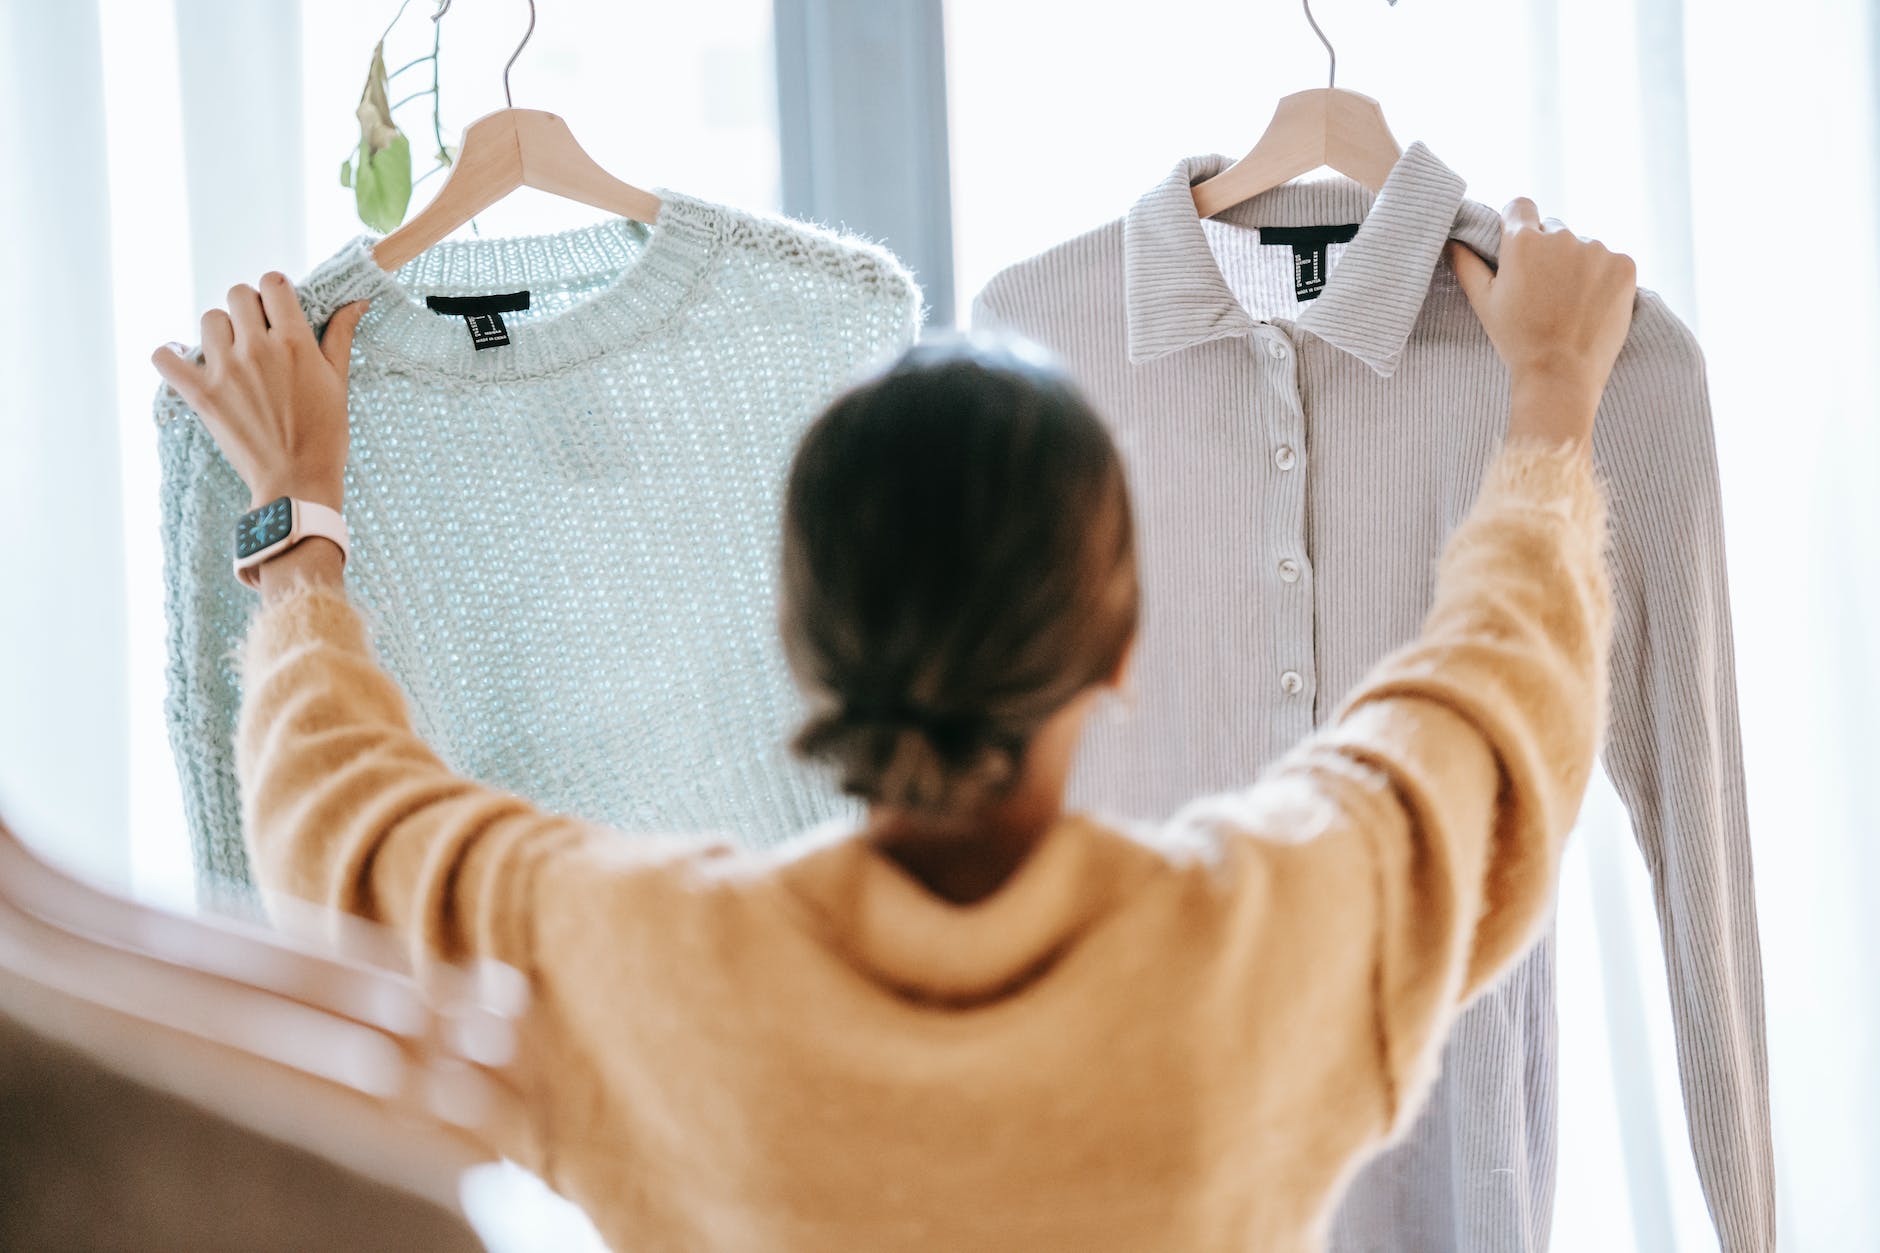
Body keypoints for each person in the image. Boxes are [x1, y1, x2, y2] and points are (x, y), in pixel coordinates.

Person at [151, 196, 1633, 1253]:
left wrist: (298, 526)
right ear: (1117, 644)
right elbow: (1489, 713)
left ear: (807, 648)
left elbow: (350, 826)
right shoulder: (1266, 945)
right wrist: (1553, 399)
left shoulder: (655, 968)